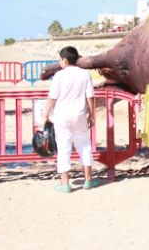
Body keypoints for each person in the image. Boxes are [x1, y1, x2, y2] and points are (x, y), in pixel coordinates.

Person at [43, 46, 98, 193]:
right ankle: (88, 180)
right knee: (85, 146)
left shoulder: (59, 76)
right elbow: (90, 97)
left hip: (62, 115)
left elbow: (52, 97)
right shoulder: (85, 74)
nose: (60, 62)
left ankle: (65, 183)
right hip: (79, 114)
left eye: (60, 59)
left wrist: (46, 114)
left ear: (65, 60)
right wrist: (92, 115)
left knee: (63, 148)